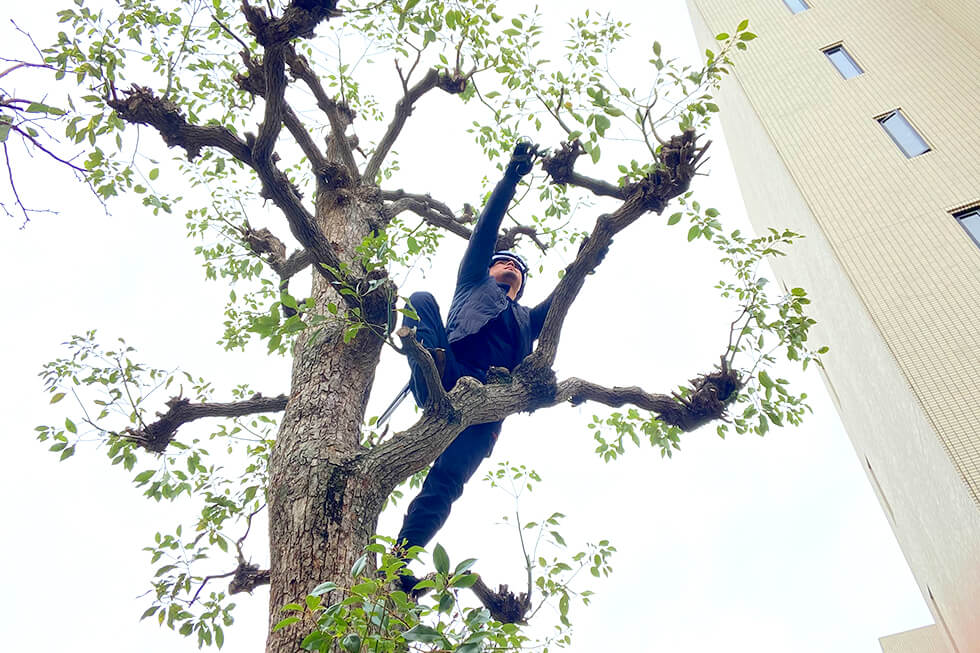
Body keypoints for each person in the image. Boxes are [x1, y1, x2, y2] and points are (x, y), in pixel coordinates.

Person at [395, 142, 552, 587]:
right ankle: (427, 382)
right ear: (491, 267)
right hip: (449, 368)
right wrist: (511, 178)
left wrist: (588, 258)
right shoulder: (471, 283)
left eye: (519, 271)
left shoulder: (527, 319)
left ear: (521, 288)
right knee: (422, 299)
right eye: (506, 262)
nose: (512, 269)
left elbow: (562, 298)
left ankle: (399, 564)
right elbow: (486, 230)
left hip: (488, 407)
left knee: (445, 484)